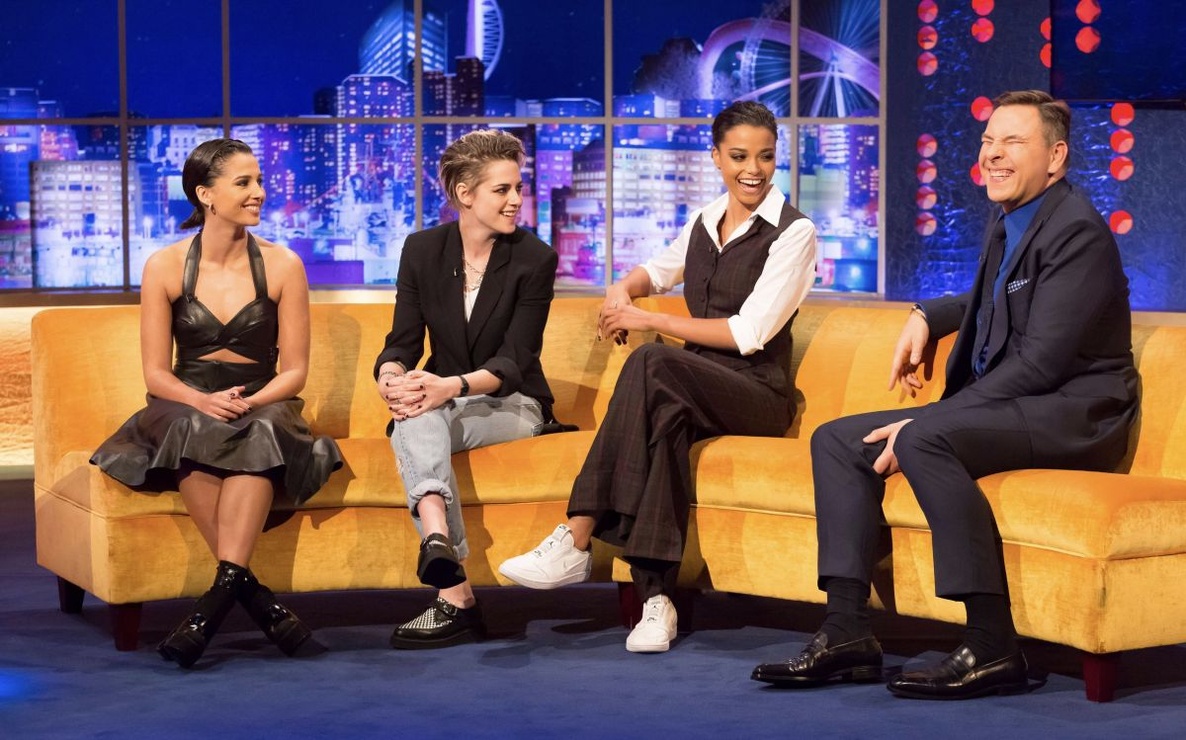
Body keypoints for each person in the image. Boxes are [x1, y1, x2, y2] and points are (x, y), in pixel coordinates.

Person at [751, 90, 1139, 699]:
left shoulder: (1077, 232)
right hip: (1021, 404)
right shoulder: (1012, 220)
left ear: (1055, 157)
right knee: (836, 441)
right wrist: (927, 315)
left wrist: (934, 417)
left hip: (1076, 412)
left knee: (924, 437)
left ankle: (992, 643)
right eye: (988, 141)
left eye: (1012, 142)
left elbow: (1040, 363)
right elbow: (996, 295)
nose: (993, 154)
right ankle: (847, 631)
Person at [498, 101, 818, 653]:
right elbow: (659, 270)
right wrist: (622, 289)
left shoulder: (794, 232)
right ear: (715, 157)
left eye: (766, 157)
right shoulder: (705, 220)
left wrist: (648, 321)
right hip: (693, 386)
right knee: (665, 420)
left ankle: (577, 534)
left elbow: (750, 333)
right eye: (739, 156)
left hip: (757, 392)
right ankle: (656, 601)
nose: (754, 169)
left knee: (651, 360)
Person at [90, 139, 343, 668]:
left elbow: (294, 372)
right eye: (243, 182)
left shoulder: (283, 264)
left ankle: (209, 612)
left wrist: (250, 402)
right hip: (184, 397)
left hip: (264, 397)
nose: (259, 192)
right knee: (189, 427)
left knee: (262, 429)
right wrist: (202, 401)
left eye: (259, 181)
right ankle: (260, 602)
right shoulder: (164, 266)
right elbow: (156, 374)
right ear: (205, 194)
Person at [374, 129, 558, 649]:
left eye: (518, 187)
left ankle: (450, 590)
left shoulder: (534, 259)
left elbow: (515, 361)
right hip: (443, 399)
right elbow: (402, 341)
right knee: (415, 411)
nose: (516, 199)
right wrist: (392, 377)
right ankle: (440, 548)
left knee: (417, 414)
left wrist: (448, 386)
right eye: (502, 190)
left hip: (513, 402)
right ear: (464, 193)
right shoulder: (423, 250)